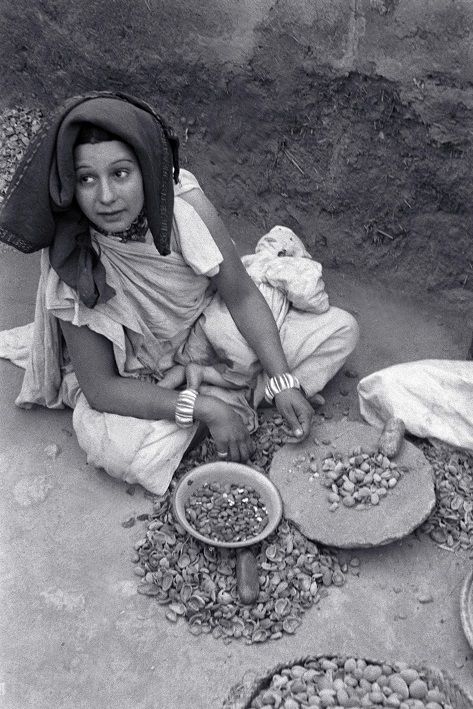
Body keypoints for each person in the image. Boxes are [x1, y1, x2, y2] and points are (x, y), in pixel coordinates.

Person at [0, 91, 359, 494]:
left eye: (120, 173)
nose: (105, 197)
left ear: (147, 168)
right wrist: (201, 406)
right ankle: (222, 399)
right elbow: (101, 388)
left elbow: (239, 294)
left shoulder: (184, 205)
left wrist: (282, 380)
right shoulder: (73, 254)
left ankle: (219, 385)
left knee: (338, 330)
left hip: (208, 332)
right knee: (123, 451)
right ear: (69, 185)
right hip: (141, 370)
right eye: (86, 179)